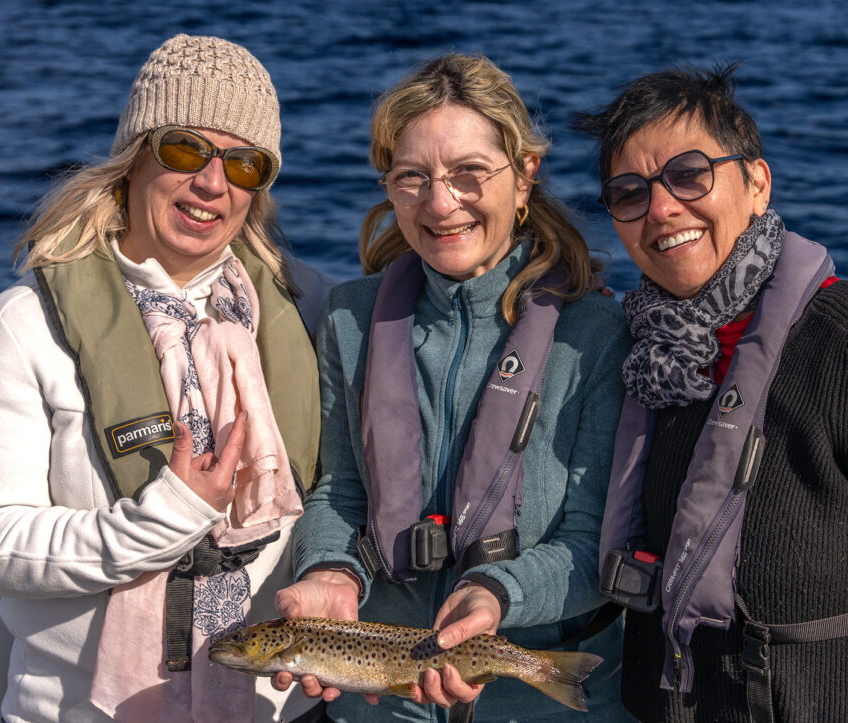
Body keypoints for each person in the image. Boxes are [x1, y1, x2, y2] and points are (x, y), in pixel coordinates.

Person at [0, 34, 325, 723]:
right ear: (134, 157)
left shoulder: (308, 313)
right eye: (185, 150)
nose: (213, 183)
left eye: (245, 164)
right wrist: (164, 519)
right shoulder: (24, 326)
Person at [574, 63, 848, 721]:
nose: (661, 208)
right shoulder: (647, 362)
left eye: (689, 175)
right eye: (630, 192)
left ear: (757, 183)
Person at [270, 53, 634, 723]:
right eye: (412, 177)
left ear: (524, 175)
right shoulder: (350, 319)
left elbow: (596, 541)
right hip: (380, 702)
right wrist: (328, 570)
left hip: (544, 702)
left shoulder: (598, 334)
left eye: (469, 172)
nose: (441, 203)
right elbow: (338, 492)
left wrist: (496, 594)